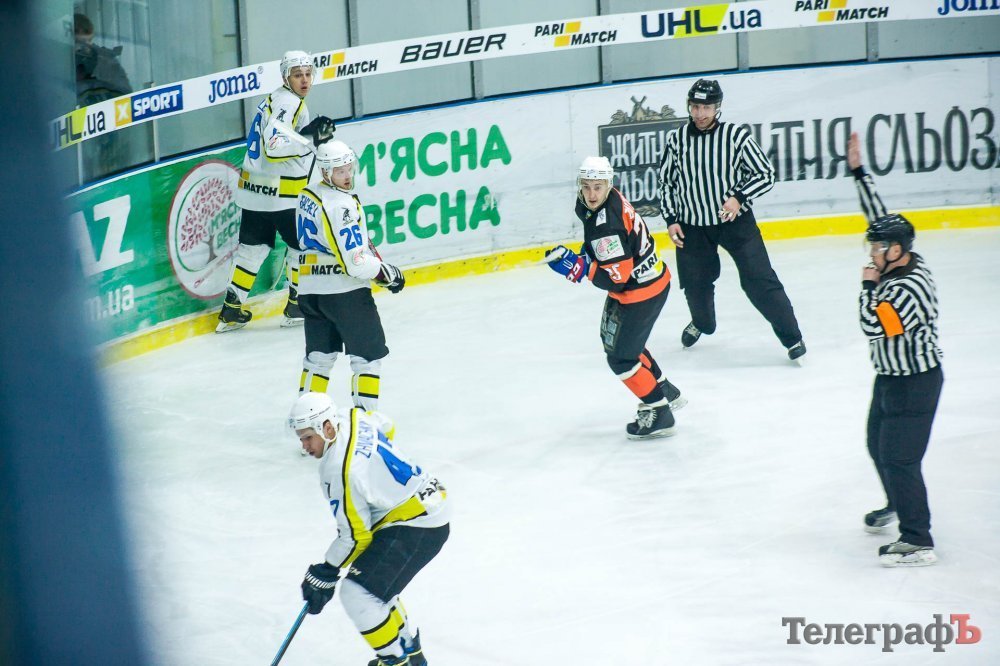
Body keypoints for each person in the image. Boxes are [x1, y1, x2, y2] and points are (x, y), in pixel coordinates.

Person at [289, 392, 450, 666]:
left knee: (358, 594)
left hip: (416, 525)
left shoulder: (339, 470)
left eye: (308, 437)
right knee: (375, 588)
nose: (304, 446)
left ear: (327, 428)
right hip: (429, 503)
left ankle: (395, 661)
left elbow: (356, 537)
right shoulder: (350, 415)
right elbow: (387, 425)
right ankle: (410, 655)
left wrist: (326, 570)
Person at [657, 79, 805, 361]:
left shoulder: (735, 137)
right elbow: (666, 182)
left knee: (759, 280)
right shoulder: (677, 139)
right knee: (695, 284)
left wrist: (738, 197)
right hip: (691, 226)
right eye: (695, 106)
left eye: (706, 107)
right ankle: (702, 323)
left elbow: (765, 173)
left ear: (717, 107)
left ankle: (792, 337)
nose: (700, 113)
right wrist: (671, 219)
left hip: (735, 224)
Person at [848, 132, 943, 567]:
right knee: (877, 444)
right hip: (889, 378)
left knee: (900, 458)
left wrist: (868, 286)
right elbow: (878, 216)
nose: (871, 253)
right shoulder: (897, 255)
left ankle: (917, 539)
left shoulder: (908, 288)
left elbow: (875, 326)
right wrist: (858, 172)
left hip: (915, 383)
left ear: (896, 250)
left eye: (877, 247)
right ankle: (898, 502)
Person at [546, 156, 685, 440]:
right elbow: (609, 249)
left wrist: (580, 268)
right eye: (587, 186)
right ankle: (663, 390)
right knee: (623, 344)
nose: (592, 194)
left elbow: (617, 279)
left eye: (598, 187)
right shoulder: (602, 203)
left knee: (621, 358)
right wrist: (587, 256)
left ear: (609, 185)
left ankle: (660, 412)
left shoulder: (606, 224)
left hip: (641, 292)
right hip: (650, 282)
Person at [216, 50, 336, 332]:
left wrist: (306, 138)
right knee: (302, 247)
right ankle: (296, 306)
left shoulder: (275, 97)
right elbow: (274, 146)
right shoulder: (289, 103)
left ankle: (231, 309)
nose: (304, 80)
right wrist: (311, 138)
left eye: (308, 74)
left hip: (253, 190)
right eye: (297, 75)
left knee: (252, 250)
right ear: (285, 77)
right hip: (281, 195)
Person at [294, 140, 404, 409]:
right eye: (340, 171)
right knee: (367, 359)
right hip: (345, 294)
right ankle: (365, 421)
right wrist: (386, 272)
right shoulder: (340, 206)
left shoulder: (308, 193)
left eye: (349, 169)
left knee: (318, 360)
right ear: (325, 172)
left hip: (310, 290)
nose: (347, 176)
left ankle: (307, 418)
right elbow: (354, 264)